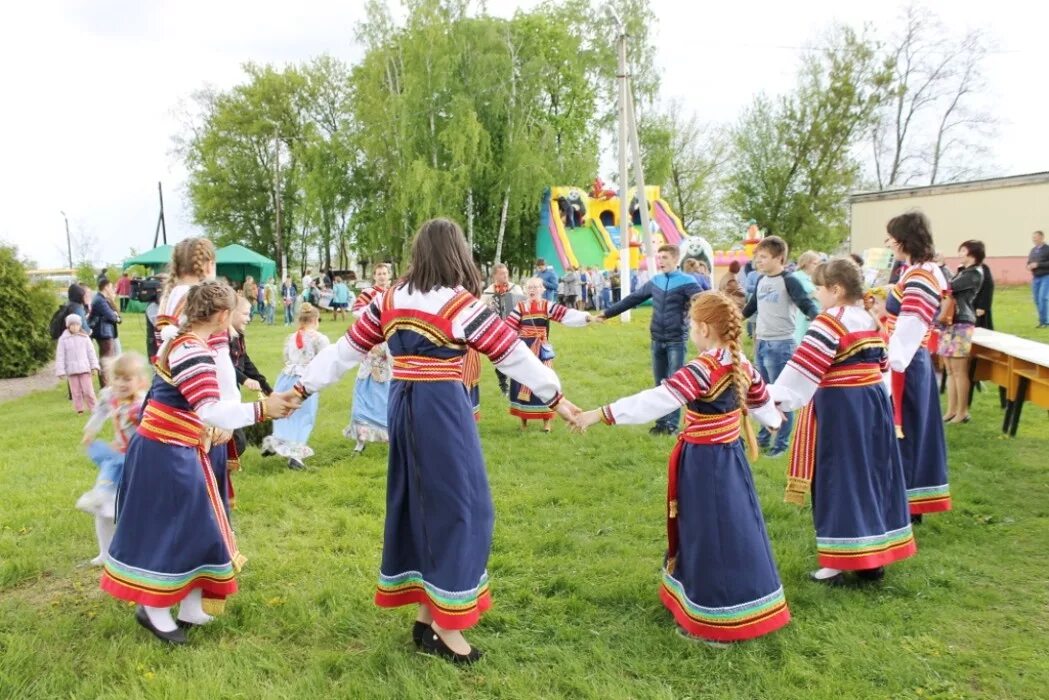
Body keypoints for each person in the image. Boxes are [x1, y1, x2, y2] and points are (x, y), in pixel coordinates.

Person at [296, 218, 579, 664]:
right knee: (465, 507)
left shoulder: (388, 299)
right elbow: (512, 353)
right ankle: (448, 629)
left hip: (403, 405)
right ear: (456, 254)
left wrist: (301, 388)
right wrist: (556, 397)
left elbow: (343, 352)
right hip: (443, 408)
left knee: (422, 503)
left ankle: (428, 620)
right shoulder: (458, 304)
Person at [574, 291, 789, 644]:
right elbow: (766, 408)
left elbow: (655, 401)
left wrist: (599, 414)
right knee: (732, 525)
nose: (690, 329)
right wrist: (775, 422)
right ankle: (744, 599)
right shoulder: (741, 364)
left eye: (691, 323)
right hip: (729, 458)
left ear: (704, 328)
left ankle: (717, 618)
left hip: (705, 461)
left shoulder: (704, 368)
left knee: (709, 531)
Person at [769, 259, 916, 586]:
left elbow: (802, 371)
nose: (817, 294)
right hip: (873, 403)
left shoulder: (829, 322)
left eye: (819, 288)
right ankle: (873, 558)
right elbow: (881, 364)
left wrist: (770, 399)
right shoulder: (868, 317)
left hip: (841, 409)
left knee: (838, 477)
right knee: (871, 475)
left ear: (836, 290)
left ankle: (840, 559)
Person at [883, 211, 950, 522]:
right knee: (911, 428)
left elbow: (912, 322)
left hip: (906, 359)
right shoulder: (919, 271)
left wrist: (890, 361)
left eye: (891, 236)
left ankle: (907, 504)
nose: (888, 243)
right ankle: (911, 501)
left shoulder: (921, 275)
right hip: (909, 357)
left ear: (902, 239)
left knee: (905, 429)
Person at [599, 244, 704, 435]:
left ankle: (672, 426)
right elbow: (632, 299)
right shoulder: (655, 281)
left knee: (674, 385)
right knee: (659, 385)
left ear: (675, 259)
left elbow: (702, 301)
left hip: (676, 341)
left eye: (664, 257)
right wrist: (606, 314)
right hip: (657, 339)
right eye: (659, 257)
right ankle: (661, 423)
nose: (660, 261)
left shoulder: (687, 281)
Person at [741, 236, 819, 457]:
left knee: (781, 397)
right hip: (762, 343)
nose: (759, 262)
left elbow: (806, 303)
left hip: (782, 345)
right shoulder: (760, 280)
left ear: (779, 258)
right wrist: (733, 318)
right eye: (757, 257)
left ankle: (781, 445)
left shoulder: (789, 280)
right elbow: (751, 307)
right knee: (762, 394)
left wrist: (820, 321)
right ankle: (764, 437)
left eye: (764, 257)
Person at [76, 352, 149, 566]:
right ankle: (105, 552)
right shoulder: (110, 396)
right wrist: (90, 431)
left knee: (134, 509)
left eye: (127, 379)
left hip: (138, 462)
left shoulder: (142, 403)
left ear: (140, 381)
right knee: (105, 510)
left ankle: (140, 550)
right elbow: (100, 412)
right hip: (119, 456)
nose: (121, 383)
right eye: (116, 378)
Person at [506, 277, 595, 432]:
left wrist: (585, 317)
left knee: (546, 381)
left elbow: (565, 314)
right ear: (525, 290)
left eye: (536, 287)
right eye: (529, 287)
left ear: (542, 289)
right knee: (522, 381)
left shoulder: (547, 306)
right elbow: (508, 328)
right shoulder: (520, 307)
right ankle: (523, 422)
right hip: (523, 350)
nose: (533, 290)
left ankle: (546, 423)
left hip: (541, 350)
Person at [262, 304, 329, 470]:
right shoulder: (320, 339)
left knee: (283, 412)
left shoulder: (291, 337)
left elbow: (285, 357)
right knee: (304, 417)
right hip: (304, 381)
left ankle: (274, 441)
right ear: (314, 320)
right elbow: (325, 361)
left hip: (286, 377)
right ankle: (296, 455)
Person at [344, 264, 393, 453]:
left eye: (384, 273)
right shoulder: (368, 293)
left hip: (387, 345)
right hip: (371, 343)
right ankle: (360, 440)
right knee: (363, 390)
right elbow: (356, 310)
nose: (382, 276)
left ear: (389, 275)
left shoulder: (393, 293)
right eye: (379, 274)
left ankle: (388, 434)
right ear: (374, 276)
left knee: (385, 392)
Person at [940, 240, 986, 424]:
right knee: (950, 370)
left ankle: (962, 411)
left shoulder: (974, 273)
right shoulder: (963, 272)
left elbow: (948, 288)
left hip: (961, 323)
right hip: (950, 322)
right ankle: (951, 410)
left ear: (973, 253)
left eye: (963, 250)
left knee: (959, 371)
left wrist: (941, 269)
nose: (960, 253)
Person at [229, 296, 273, 462]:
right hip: (220, 395)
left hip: (233, 393)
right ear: (231, 312)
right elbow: (222, 364)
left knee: (235, 442)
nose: (249, 318)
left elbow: (245, 363)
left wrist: (268, 389)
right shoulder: (220, 337)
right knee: (236, 442)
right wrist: (244, 380)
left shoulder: (238, 335)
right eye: (245, 314)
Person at [480, 264, 524, 395]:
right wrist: (491, 308)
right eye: (502, 273)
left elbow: (523, 305)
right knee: (501, 356)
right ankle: (503, 382)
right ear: (495, 276)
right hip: (497, 328)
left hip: (515, 327)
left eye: (506, 273)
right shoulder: (488, 291)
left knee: (517, 354)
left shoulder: (515, 288)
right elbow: (481, 309)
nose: (505, 275)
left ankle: (518, 383)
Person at [56, 314, 100, 413]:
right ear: (68, 326)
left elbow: (91, 353)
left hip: (85, 369)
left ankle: (94, 408)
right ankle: (79, 409)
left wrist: (94, 366)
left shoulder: (85, 338)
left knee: (88, 391)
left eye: (77, 325)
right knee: (75, 392)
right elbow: (60, 356)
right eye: (72, 325)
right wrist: (60, 371)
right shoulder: (63, 340)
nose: (75, 327)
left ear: (80, 326)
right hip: (72, 371)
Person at [90, 279, 122, 386]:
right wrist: (116, 317)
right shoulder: (100, 300)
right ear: (106, 287)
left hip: (106, 332)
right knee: (106, 360)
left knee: (108, 359)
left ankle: (108, 384)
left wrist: (116, 316)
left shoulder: (102, 299)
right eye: (111, 287)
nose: (112, 289)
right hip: (103, 333)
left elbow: (117, 315)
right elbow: (112, 316)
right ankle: (106, 385)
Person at [792, 251, 822, 345]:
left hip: (816, 311)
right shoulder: (796, 276)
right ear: (806, 263)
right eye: (815, 263)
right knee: (801, 339)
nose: (817, 266)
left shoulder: (814, 277)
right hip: (802, 314)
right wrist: (811, 295)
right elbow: (794, 295)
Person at [1028, 230, 1049, 327]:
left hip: (1045, 276)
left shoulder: (1047, 249)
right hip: (1035, 278)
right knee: (1036, 299)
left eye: (1035, 237)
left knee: (1042, 298)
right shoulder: (1033, 250)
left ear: (1041, 237)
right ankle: (1042, 320)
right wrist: (1028, 266)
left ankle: (1044, 322)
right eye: (1033, 237)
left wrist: (1038, 264)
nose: (1034, 239)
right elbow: (1029, 262)